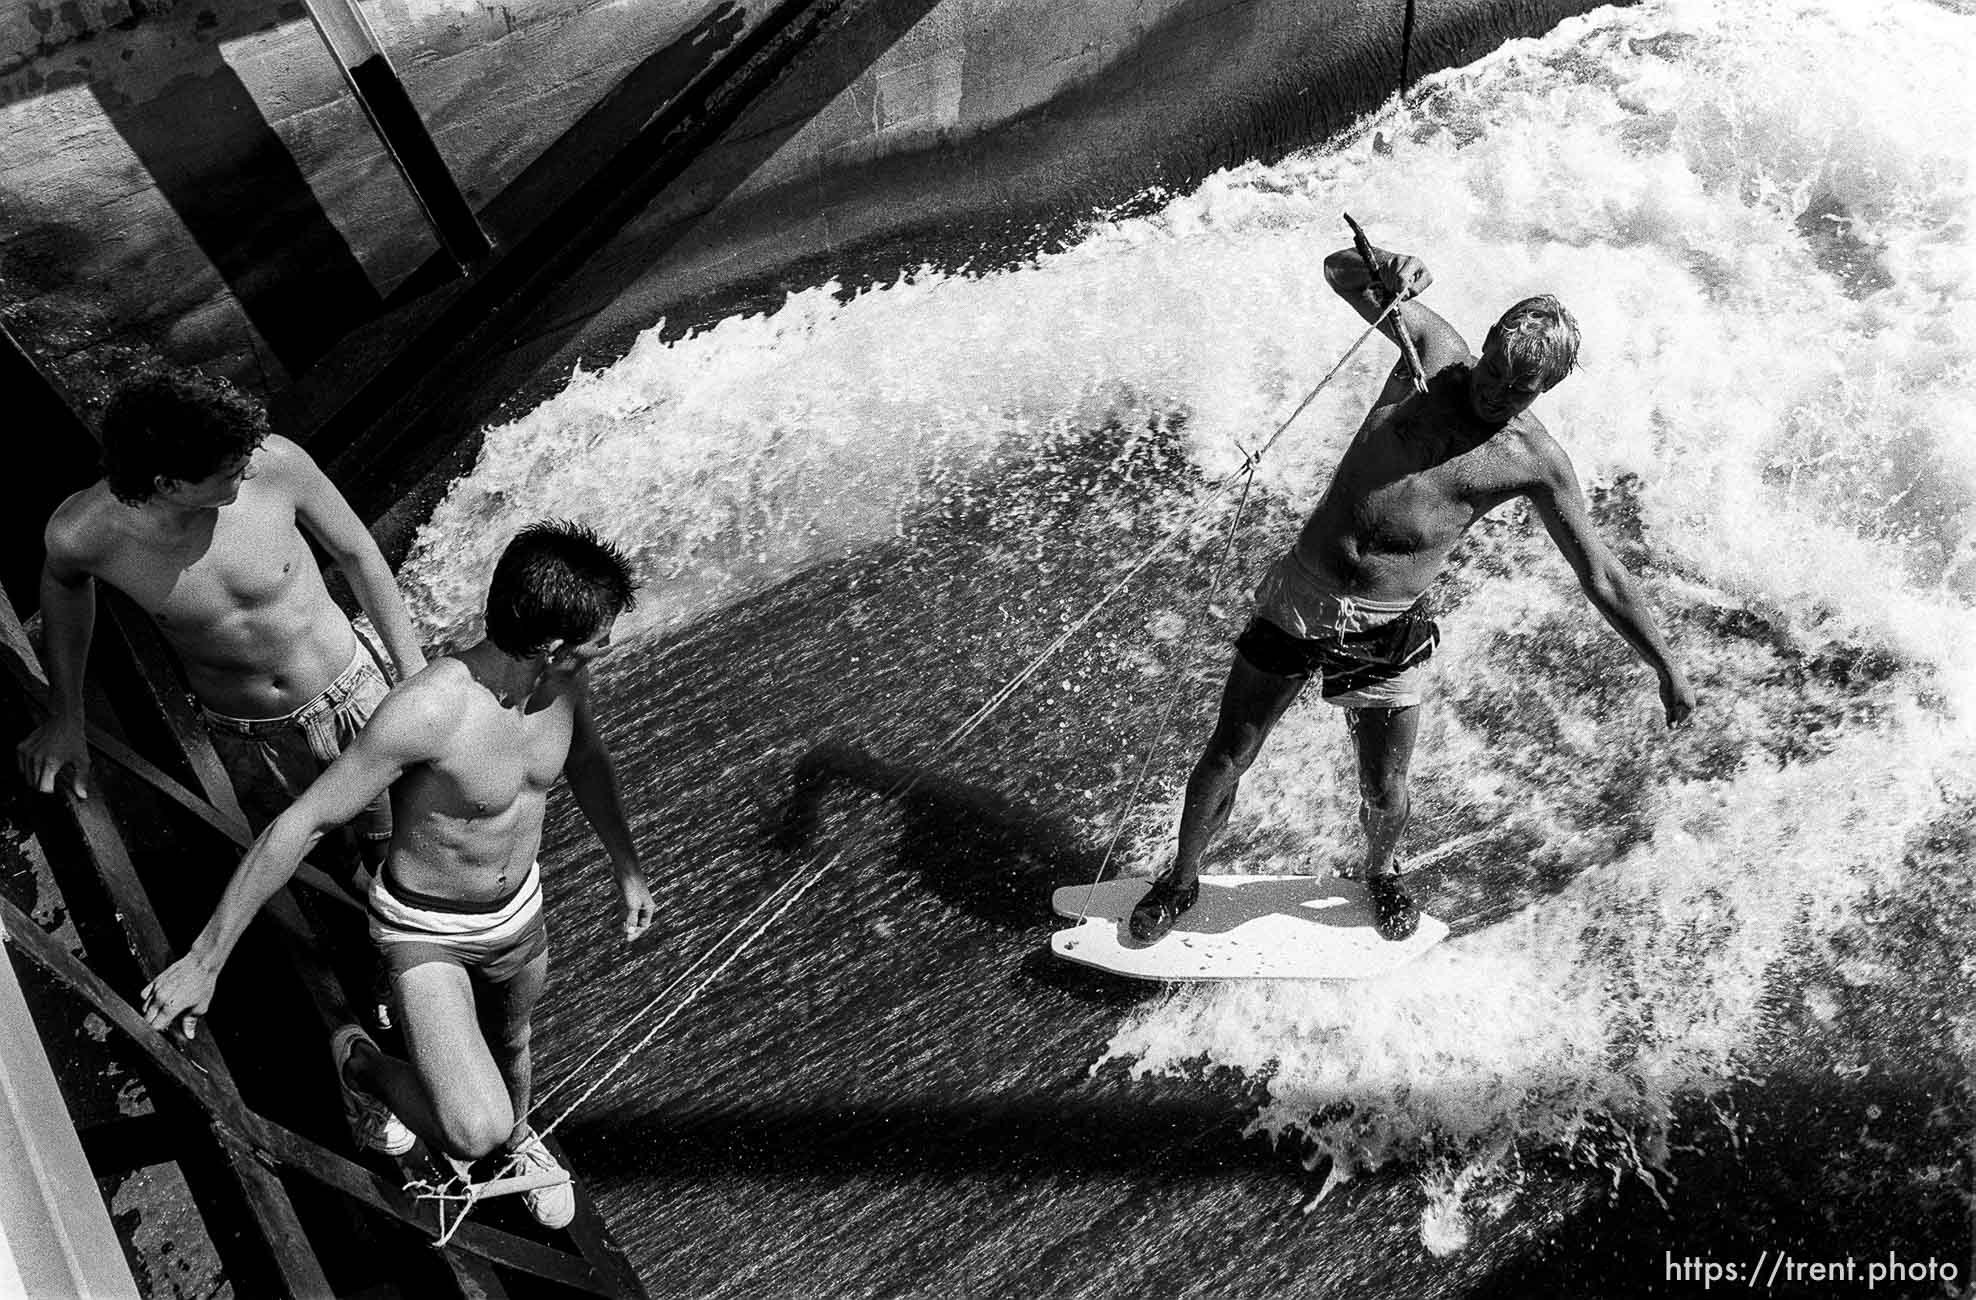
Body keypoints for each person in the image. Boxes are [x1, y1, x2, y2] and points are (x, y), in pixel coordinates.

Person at [1130, 240, 1697, 945]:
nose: (1494, 393)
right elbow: (1337, 270)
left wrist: (1665, 664)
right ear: (1486, 342)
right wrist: (1390, 264)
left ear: (1548, 388)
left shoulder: (1534, 462)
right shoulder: (1429, 347)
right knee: (1230, 749)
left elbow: (1601, 573)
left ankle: (1380, 870)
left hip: (1389, 624)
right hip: (1300, 596)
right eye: (1493, 372)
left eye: (1516, 390)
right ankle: (1180, 879)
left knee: (1384, 785)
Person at [140, 520, 655, 1231]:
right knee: (469, 1129)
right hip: (427, 931)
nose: (610, 642)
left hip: (517, 915)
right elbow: (303, 822)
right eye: (601, 634)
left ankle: (516, 1140)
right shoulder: (428, 710)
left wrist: (627, 868)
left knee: (514, 1045)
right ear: (551, 644)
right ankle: (360, 1065)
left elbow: (587, 763)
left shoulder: (566, 684)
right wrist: (205, 959)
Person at [16, 370, 427, 884]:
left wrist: (413, 671)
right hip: (250, 741)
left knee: (416, 856)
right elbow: (63, 585)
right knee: (327, 875)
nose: (248, 471)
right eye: (231, 471)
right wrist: (66, 715)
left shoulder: (278, 465)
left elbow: (356, 553)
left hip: (354, 700)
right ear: (167, 484)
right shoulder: (86, 533)